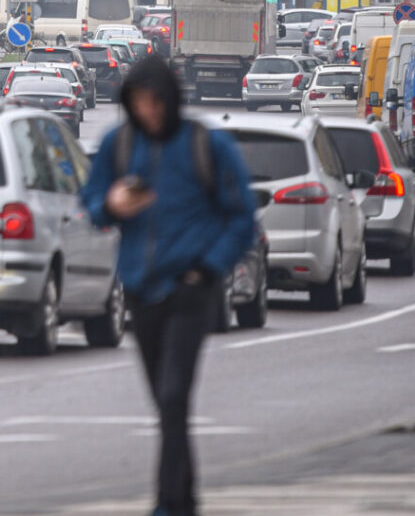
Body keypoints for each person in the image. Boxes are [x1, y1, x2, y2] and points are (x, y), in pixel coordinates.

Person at [80, 56, 256, 516]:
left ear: (171, 100)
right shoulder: (119, 144)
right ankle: (185, 497)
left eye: (156, 101)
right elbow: (93, 203)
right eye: (139, 103)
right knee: (165, 400)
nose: (149, 111)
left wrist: (209, 267)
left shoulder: (205, 145)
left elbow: (242, 218)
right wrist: (112, 204)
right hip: (140, 288)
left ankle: (167, 504)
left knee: (175, 393)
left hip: (189, 287)